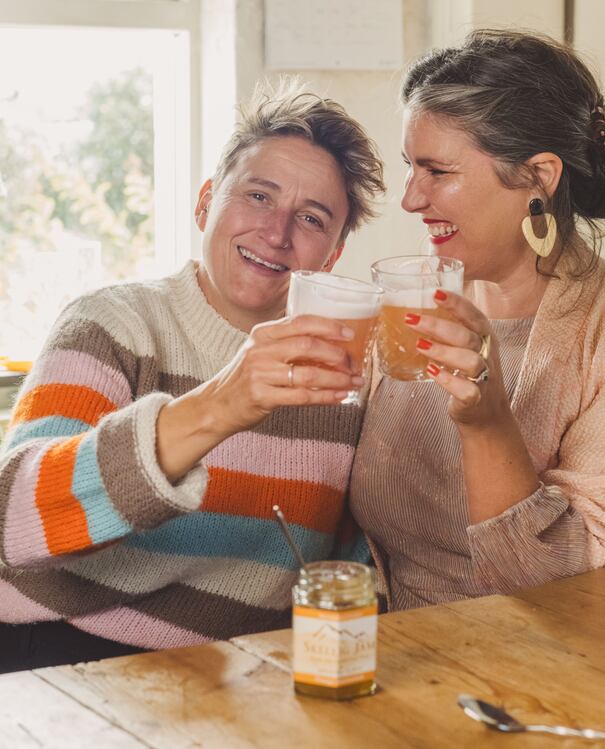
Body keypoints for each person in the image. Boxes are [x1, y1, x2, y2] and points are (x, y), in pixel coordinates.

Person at [0, 80, 385, 671]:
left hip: (242, 675)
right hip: (65, 656)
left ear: (332, 256)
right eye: (258, 197)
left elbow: (353, 564)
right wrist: (221, 405)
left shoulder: (348, 374)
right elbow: (13, 520)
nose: (276, 234)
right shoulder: (113, 324)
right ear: (206, 203)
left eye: (310, 219)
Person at [349, 30, 605, 610]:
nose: (409, 199)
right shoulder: (414, 306)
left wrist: (488, 421)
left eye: (438, 171)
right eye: (410, 167)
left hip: (548, 673)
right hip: (385, 654)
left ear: (538, 178)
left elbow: (581, 594)